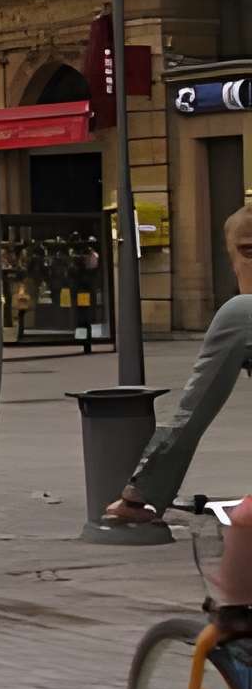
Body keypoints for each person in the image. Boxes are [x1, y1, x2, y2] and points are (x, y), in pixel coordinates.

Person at [104, 201, 252, 633]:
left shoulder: (242, 313)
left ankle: (236, 631)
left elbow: (193, 410)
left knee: (243, 524)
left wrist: (141, 496)